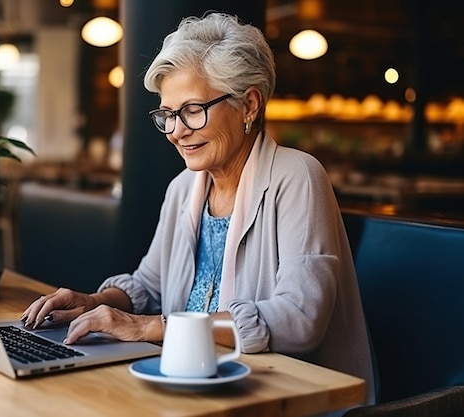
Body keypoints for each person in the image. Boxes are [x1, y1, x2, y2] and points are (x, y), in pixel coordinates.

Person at [21, 12, 375, 409]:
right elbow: (150, 285)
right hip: (191, 385)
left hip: (281, 398)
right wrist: (94, 302)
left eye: (192, 110)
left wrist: (151, 327)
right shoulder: (183, 188)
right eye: (168, 114)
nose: (175, 130)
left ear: (249, 104)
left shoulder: (297, 176)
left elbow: (299, 320)